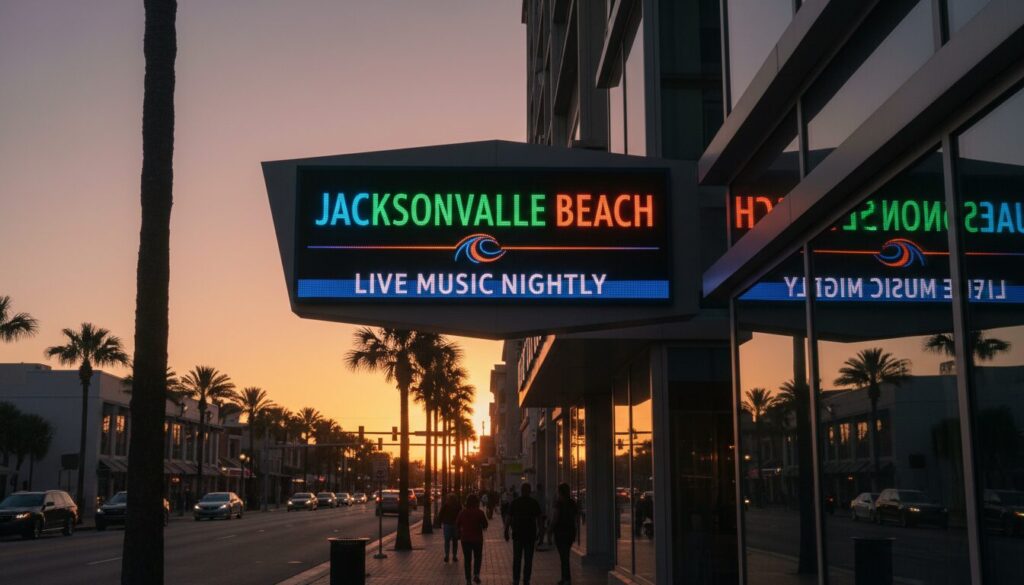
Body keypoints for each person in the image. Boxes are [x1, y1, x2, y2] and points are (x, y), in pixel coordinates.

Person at [510, 483, 542, 585]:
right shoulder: (534, 503)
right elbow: (539, 519)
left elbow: (509, 517)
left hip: (518, 534)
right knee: (528, 559)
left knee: (517, 559)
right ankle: (526, 579)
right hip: (530, 535)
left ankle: (516, 579)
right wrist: (540, 531)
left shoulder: (515, 502)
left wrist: (506, 530)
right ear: (529, 491)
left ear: (521, 490)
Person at [456, 493, 488, 585]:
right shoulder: (479, 512)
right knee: (478, 557)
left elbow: (457, 524)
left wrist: (460, 531)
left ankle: (468, 579)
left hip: (465, 539)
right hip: (477, 539)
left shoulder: (462, 512)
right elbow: (485, 524)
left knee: (467, 559)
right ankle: (476, 574)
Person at [551, 483, 578, 585]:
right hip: (570, 531)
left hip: (560, 532)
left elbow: (555, 517)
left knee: (564, 557)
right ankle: (565, 578)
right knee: (565, 556)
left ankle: (566, 579)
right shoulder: (572, 503)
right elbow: (575, 518)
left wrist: (550, 529)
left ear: (560, 492)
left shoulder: (558, 503)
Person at [439, 492, 463, 563]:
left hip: (448, 525)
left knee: (447, 541)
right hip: (453, 525)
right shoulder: (456, 505)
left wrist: (441, 521)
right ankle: (453, 556)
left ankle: (448, 555)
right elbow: (461, 514)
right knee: (454, 541)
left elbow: (440, 514)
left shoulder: (446, 505)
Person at [534, 483, 549, 549]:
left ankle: (540, 538)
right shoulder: (543, 495)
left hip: (538, 513)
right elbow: (547, 503)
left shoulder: (536, 495)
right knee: (541, 527)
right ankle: (540, 539)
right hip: (543, 513)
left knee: (539, 527)